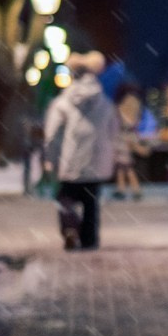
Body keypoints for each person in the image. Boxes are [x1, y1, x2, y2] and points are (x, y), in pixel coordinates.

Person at [43, 51, 119, 250]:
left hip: (70, 161)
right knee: (91, 204)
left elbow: (52, 134)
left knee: (64, 199)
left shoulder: (63, 102)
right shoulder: (105, 102)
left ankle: (70, 227)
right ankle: (89, 239)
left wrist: (50, 158)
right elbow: (113, 131)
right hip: (96, 163)